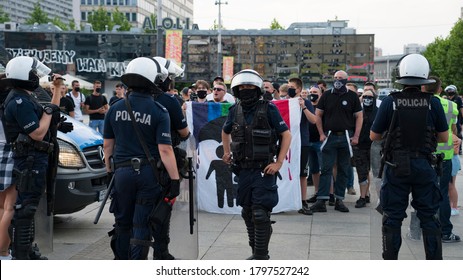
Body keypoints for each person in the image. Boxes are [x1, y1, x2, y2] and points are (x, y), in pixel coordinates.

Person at [370, 54, 448, 260]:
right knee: (429, 217)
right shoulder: (433, 103)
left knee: (392, 216)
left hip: (397, 165)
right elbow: (444, 137)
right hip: (424, 164)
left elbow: (373, 135)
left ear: (401, 75)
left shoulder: (390, 102)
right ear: (424, 77)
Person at [103, 57, 180, 260]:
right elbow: (165, 150)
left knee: (122, 222)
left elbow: (107, 147)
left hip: (121, 173)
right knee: (141, 223)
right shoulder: (159, 111)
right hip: (148, 173)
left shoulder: (115, 108)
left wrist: (109, 172)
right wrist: (175, 180)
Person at [222, 69, 291, 260]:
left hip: (263, 170)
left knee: (260, 214)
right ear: (236, 90)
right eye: (242, 87)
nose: (246, 90)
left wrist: (278, 162)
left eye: (249, 87)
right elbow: (225, 131)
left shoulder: (269, 108)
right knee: (247, 212)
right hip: (243, 170)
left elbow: (286, 135)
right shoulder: (234, 110)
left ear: (257, 89)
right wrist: (227, 152)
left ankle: (262, 257)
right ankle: (255, 252)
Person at [2, 56, 64, 259]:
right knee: (24, 210)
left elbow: (50, 111)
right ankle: (21, 256)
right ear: (25, 75)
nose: (36, 77)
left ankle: (27, 251)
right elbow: (37, 133)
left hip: (34, 159)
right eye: (33, 74)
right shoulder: (19, 100)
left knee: (29, 208)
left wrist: (56, 90)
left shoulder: (26, 96)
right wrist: (47, 114)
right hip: (29, 160)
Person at [151, 56, 191, 259]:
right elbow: (184, 133)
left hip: (130, 165)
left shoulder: (125, 102)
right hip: (161, 166)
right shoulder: (169, 100)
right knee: (162, 208)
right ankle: (161, 252)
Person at [310, 70, 363, 213]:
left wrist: (356, 136)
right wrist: (321, 133)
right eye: (335, 78)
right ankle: (322, 200)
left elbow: (359, 117)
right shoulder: (327, 95)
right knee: (326, 169)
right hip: (330, 136)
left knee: (343, 169)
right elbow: (318, 115)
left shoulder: (352, 96)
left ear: (346, 80)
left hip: (346, 136)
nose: (337, 80)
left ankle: (339, 199)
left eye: (340, 78)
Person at [423, 77, 460, 243]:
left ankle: (423, 228)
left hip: (425, 154)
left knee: (424, 193)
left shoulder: (422, 104)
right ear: (439, 89)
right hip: (445, 156)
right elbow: (453, 130)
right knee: (443, 194)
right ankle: (445, 231)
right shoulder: (451, 105)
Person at [287, 77, 317, 215]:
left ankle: (303, 201)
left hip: (302, 143)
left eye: (292, 86)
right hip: (287, 143)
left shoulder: (305, 102)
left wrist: (303, 107)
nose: (289, 89)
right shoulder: (285, 102)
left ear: (298, 89)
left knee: (302, 174)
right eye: (288, 86)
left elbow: (313, 120)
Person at [0, 74, 16, 260]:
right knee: (9, 207)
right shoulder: (10, 107)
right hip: (8, 155)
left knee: (1, 207)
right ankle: (3, 252)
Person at [352, 89, 377, 208]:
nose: (367, 99)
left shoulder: (378, 112)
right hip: (360, 146)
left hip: (374, 147)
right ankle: (363, 196)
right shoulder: (358, 111)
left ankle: (369, 195)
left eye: (370, 97)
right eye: (365, 96)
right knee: (362, 171)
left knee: (374, 173)